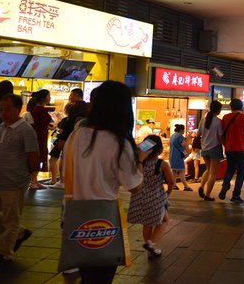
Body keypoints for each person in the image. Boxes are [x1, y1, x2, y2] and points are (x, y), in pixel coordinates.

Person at [62, 80, 143, 283]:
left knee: (86, 274)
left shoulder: (75, 136)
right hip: (103, 220)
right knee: (100, 277)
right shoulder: (118, 143)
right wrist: (139, 160)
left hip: (73, 215)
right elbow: (135, 186)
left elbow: (65, 173)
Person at [0, 93, 39, 273]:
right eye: (1, 109)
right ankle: (19, 233)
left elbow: (33, 157)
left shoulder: (26, 130)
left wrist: (26, 176)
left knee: (11, 221)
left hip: (14, 183)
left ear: (18, 109)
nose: (3, 113)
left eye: (7, 109)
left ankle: (4, 254)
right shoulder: (0, 128)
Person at [127, 135, 174, 259]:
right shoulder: (162, 164)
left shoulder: (139, 163)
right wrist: (168, 193)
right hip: (156, 197)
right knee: (165, 220)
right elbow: (171, 182)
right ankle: (150, 243)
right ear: (160, 150)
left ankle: (150, 249)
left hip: (140, 197)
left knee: (147, 224)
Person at [47, 101, 89, 189]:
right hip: (84, 148)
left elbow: (64, 134)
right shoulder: (89, 120)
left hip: (69, 144)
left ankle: (62, 181)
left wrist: (61, 143)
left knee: (62, 160)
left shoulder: (71, 119)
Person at [218, 99, 244, 204]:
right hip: (242, 149)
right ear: (241, 107)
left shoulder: (225, 117)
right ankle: (236, 195)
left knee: (230, 169)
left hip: (229, 149)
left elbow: (221, 134)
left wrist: (225, 145)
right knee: (241, 172)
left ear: (231, 107)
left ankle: (225, 185)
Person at [27, 89, 52, 189]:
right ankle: (34, 181)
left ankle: (34, 181)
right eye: (49, 96)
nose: (50, 98)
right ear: (43, 98)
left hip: (37, 135)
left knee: (37, 156)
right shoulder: (40, 109)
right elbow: (42, 124)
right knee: (39, 156)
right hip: (40, 136)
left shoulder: (36, 108)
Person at [169, 124, 192, 191]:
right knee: (182, 171)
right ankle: (186, 186)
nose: (184, 131)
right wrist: (189, 137)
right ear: (181, 130)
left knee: (174, 171)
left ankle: (174, 185)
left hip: (172, 155)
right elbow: (184, 144)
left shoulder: (173, 135)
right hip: (178, 156)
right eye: (183, 130)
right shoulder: (179, 136)